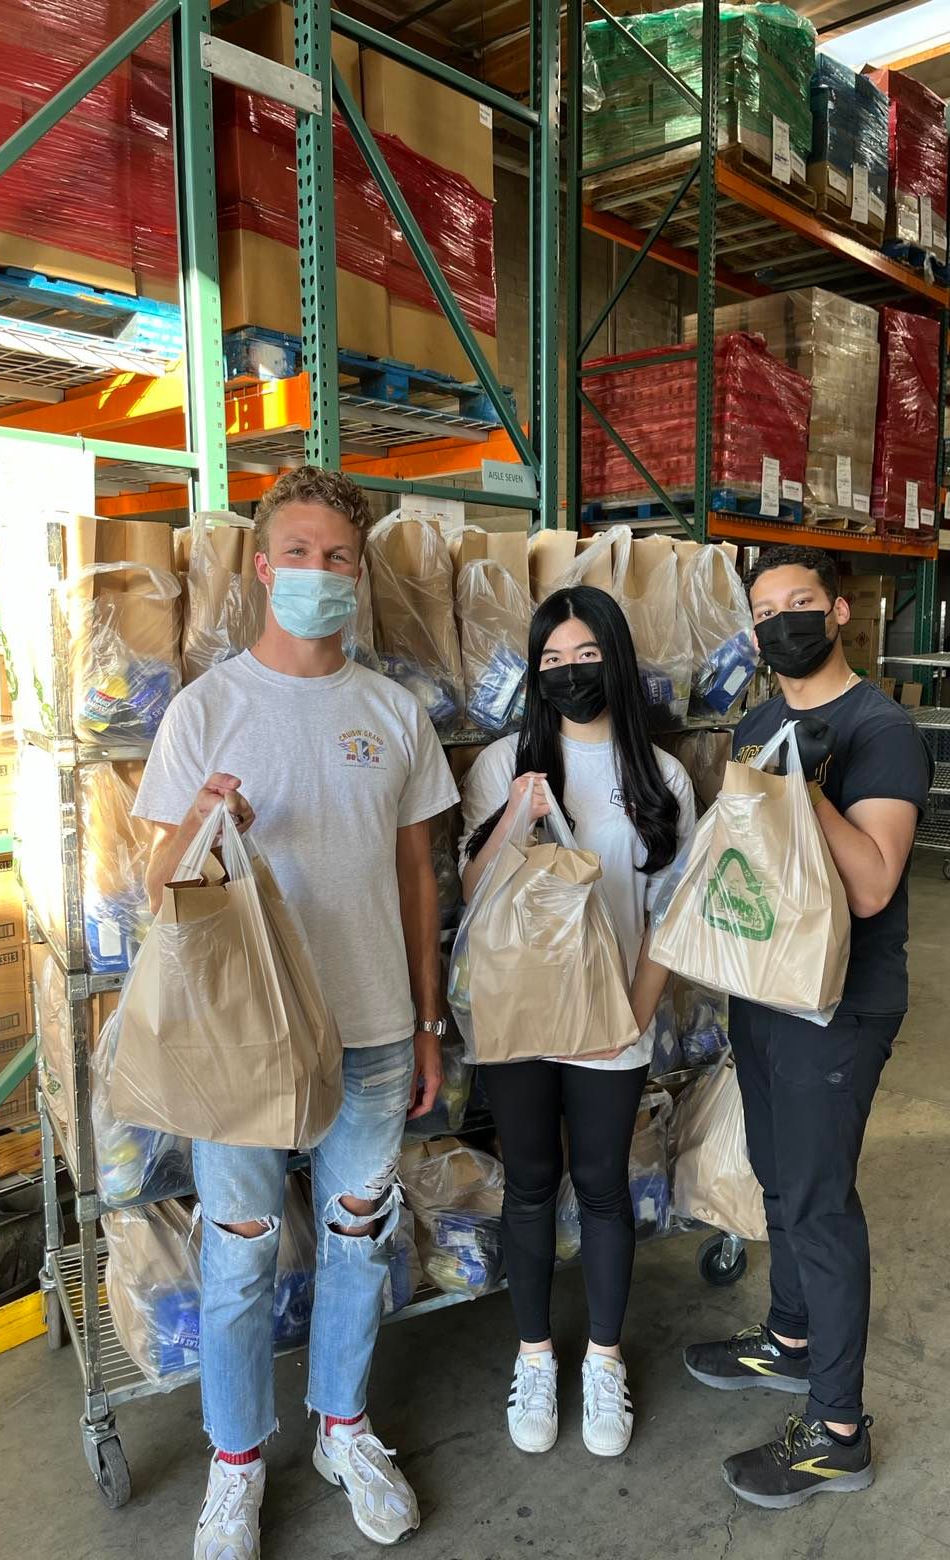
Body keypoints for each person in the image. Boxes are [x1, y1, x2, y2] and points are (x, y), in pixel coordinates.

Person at [134, 468, 459, 1557]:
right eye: (301, 554)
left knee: (358, 1242)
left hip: (371, 1031)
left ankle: (343, 1427)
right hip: (244, 1047)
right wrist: (205, 821)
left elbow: (421, 875)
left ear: (356, 576)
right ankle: (234, 1465)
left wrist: (426, 1021)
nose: (320, 574)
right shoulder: (207, 710)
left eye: (339, 559)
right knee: (238, 1256)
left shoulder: (393, 711)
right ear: (263, 567)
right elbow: (155, 890)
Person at [682, 543, 932, 1510]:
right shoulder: (758, 721)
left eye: (800, 602)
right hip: (765, 984)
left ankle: (838, 1434)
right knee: (779, 1179)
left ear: (837, 611)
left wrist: (807, 792)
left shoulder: (879, 728)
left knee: (822, 1205)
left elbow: (871, 884)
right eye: (764, 610)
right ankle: (789, 1339)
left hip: (840, 1002)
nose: (780, 621)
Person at [460, 584, 696, 1460]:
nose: (568, 674)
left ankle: (603, 1360)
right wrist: (514, 817)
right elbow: (472, 894)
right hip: (520, 1022)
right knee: (528, 1183)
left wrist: (633, 1017)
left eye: (584, 656)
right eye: (550, 661)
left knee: (599, 1185)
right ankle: (534, 1357)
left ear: (616, 659)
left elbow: (672, 912)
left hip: (611, 1026)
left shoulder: (660, 778)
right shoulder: (499, 766)